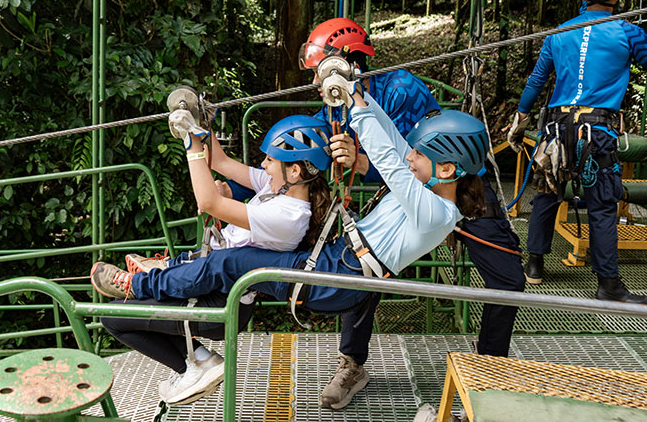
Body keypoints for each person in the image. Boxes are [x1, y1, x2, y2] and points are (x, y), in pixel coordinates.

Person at [91, 80, 491, 408]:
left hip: (340, 277)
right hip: (338, 263)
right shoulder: (433, 191)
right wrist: (357, 94)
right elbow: (396, 146)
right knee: (235, 260)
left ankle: (142, 285)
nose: (410, 157)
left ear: (447, 169)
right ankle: (162, 280)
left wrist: (357, 109)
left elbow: (389, 159)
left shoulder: (436, 214)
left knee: (236, 263)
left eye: (419, 155)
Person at [300, 18, 524, 407]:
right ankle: (352, 363)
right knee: (365, 262)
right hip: (404, 194)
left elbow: (418, 157)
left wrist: (362, 163)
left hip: (457, 187)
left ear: (347, 61)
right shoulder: (333, 102)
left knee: (508, 281)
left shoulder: (400, 88)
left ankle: (489, 367)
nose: (318, 85)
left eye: (322, 73)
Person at [96, 113, 333, 405]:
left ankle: (185, 361)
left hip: (218, 299)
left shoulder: (289, 215)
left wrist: (191, 145)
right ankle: (201, 359)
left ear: (294, 171)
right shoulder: (276, 188)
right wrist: (200, 120)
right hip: (206, 280)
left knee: (113, 318)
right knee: (118, 315)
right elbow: (220, 162)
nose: (263, 165)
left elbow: (208, 202)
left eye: (270, 160)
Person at [507, 0, 647, 303]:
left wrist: (519, 120)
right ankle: (608, 284)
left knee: (548, 192)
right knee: (601, 204)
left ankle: (535, 265)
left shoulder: (560, 32)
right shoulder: (627, 32)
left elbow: (537, 80)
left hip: (556, 128)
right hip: (596, 131)